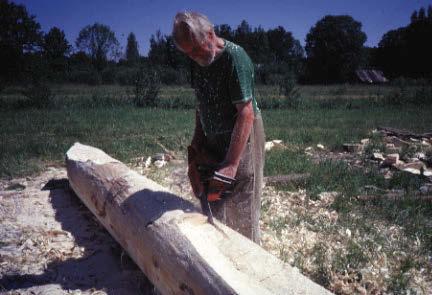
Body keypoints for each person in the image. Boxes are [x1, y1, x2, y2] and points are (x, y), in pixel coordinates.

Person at [172, 12, 265, 244]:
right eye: (188, 54)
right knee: (212, 192)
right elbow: (200, 105)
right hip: (213, 131)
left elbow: (246, 112)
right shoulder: (197, 62)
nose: (193, 57)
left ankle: (247, 254)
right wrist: (196, 144)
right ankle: (217, 246)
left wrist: (232, 163)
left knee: (242, 196)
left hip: (242, 131)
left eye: (195, 49)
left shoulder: (235, 58)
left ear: (210, 35)